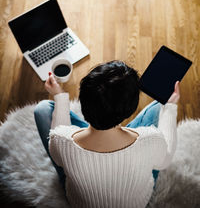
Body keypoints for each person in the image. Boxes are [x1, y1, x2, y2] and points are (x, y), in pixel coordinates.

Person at [34, 60, 179, 208]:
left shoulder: (61, 141)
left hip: (81, 201)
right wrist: (170, 107)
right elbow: (164, 161)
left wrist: (59, 95)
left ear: (82, 100)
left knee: (43, 109)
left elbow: (59, 131)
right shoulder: (150, 140)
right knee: (158, 106)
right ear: (130, 109)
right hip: (137, 202)